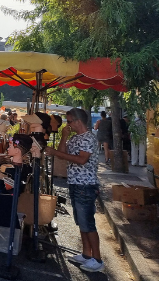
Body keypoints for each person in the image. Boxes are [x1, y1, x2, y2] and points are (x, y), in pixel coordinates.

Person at [45, 108, 103, 273]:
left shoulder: (88, 138)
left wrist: (55, 151)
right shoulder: (75, 138)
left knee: (87, 223)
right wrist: (64, 136)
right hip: (76, 183)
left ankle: (97, 259)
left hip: (85, 184)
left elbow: (82, 160)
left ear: (78, 121)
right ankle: (86, 254)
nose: (68, 125)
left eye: (69, 121)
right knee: (81, 221)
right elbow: (62, 154)